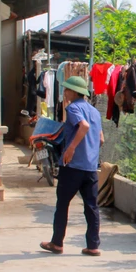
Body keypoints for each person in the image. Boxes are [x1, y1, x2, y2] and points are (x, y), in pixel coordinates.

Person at [40, 76, 105, 257]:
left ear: (74, 92)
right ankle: (93, 246)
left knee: (62, 204)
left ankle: (57, 243)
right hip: (90, 168)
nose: (65, 92)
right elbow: (100, 139)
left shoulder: (74, 108)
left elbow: (82, 126)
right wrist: (89, 153)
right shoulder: (94, 112)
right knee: (91, 207)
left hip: (73, 166)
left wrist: (71, 148)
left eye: (67, 89)